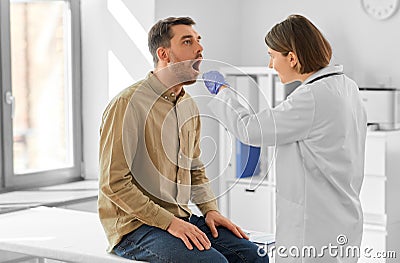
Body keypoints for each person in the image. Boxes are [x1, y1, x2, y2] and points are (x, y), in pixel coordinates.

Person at [98, 16, 268, 263]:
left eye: (198, 41)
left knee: (254, 256)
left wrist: (210, 209)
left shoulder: (188, 105)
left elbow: (195, 168)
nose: (199, 49)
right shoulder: (128, 104)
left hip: (179, 216)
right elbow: (113, 183)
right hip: (134, 228)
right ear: (164, 53)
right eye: (187, 42)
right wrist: (170, 224)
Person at [202, 14, 367, 262]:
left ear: (292, 57)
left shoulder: (311, 97)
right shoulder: (347, 87)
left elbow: (250, 130)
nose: (270, 65)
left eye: (272, 55)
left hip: (313, 229)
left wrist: (223, 92)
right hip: (343, 219)